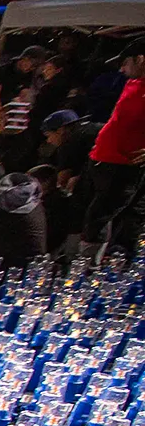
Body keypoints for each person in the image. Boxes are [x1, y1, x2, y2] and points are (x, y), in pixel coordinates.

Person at [84, 38, 145, 260]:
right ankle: (93, 262)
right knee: (100, 214)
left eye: (125, 63)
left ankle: (99, 266)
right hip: (106, 160)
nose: (121, 69)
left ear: (140, 59)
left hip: (124, 165)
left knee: (116, 216)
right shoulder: (133, 83)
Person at [0, 44, 47, 139]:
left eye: (36, 67)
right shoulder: (2, 71)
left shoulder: (27, 75)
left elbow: (24, 95)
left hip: (10, 113)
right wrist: (0, 118)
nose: (32, 68)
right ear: (25, 58)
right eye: (33, 64)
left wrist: (21, 115)